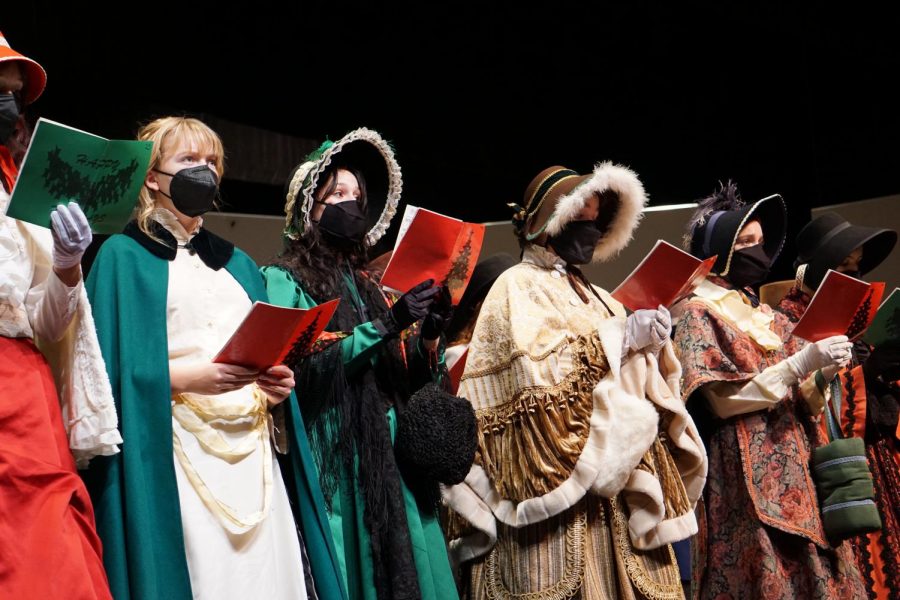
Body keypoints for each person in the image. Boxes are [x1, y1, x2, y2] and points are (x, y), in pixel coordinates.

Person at [84, 116, 343, 600]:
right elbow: (99, 374)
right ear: (151, 177)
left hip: (253, 450)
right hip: (176, 447)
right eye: (187, 160)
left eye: (210, 162)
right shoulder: (122, 256)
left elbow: (262, 351)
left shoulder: (238, 262)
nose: (203, 171)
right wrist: (184, 377)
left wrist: (277, 389)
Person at [443, 163, 707, 599]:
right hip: (556, 505)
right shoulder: (517, 285)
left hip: (615, 493)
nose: (588, 227)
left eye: (595, 219)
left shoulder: (599, 297)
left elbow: (629, 376)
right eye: (578, 217)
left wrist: (652, 345)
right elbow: (535, 376)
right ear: (550, 220)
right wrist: (621, 338)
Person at [261, 127, 458, 600]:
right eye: (337, 194)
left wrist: (429, 333)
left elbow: (406, 380)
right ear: (309, 210)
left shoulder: (370, 284)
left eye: (357, 195)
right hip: (340, 453)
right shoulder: (283, 279)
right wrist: (386, 325)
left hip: (394, 454)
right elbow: (303, 369)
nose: (352, 204)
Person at [672, 181, 867, 598]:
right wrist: (801, 362)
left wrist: (825, 371)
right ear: (721, 249)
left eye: (761, 241)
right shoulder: (696, 313)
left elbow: (804, 399)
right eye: (745, 241)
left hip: (800, 469)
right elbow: (722, 402)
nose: (757, 251)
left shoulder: (767, 315)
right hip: (743, 474)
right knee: (763, 574)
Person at [0, 31, 117, 600]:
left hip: (25, 396)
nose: (9, 105)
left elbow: (45, 327)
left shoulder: (19, 190)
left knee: (55, 561)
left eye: (14, 94)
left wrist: (68, 266)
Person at [776, 212, 899, 599]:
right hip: (832, 468)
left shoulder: (856, 322)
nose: (855, 277)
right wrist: (864, 373)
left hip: (877, 457)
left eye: (857, 267)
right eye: (844, 267)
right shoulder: (787, 320)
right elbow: (804, 398)